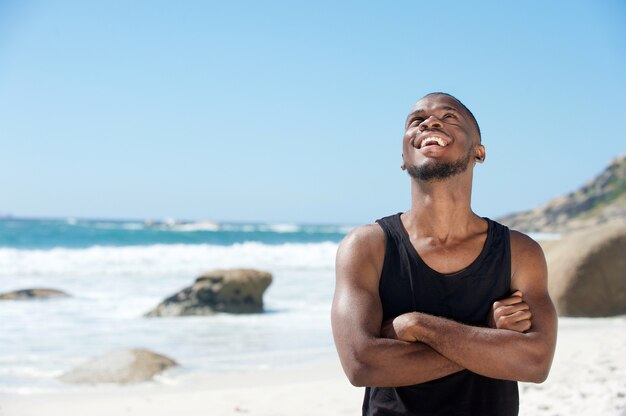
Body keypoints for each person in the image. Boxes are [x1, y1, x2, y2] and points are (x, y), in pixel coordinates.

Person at [331, 92, 557, 415]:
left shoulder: (520, 253)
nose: (430, 122)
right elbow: (361, 363)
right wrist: (490, 336)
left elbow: (536, 361)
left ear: (479, 152)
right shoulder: (367, 247)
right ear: (403, 156)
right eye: (416, 120)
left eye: (449, 117)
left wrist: (420, 326)